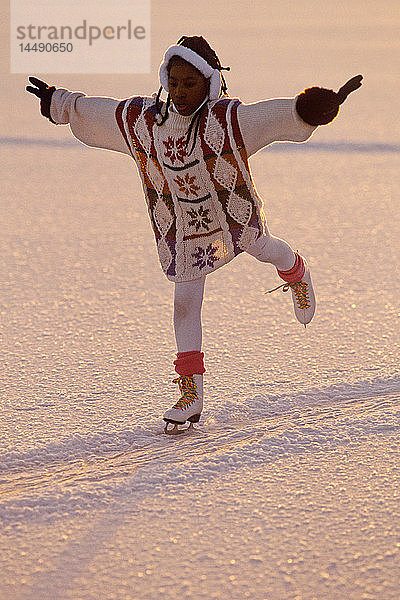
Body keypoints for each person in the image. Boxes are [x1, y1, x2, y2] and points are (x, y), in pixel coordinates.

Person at [26, 35, 363, 433]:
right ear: (165, 80)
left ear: (209, 83)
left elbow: (271, 117)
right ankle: (192, 395)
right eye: (175, 82)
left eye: (191, 83)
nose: (181, 91)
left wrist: (308, 109)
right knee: (185, 305)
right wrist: (61, 103)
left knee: (267, 248)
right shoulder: (146, 123)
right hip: (184, 230)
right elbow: (103, 113)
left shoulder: (226, 121)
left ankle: (297, 273)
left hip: (229, 217)